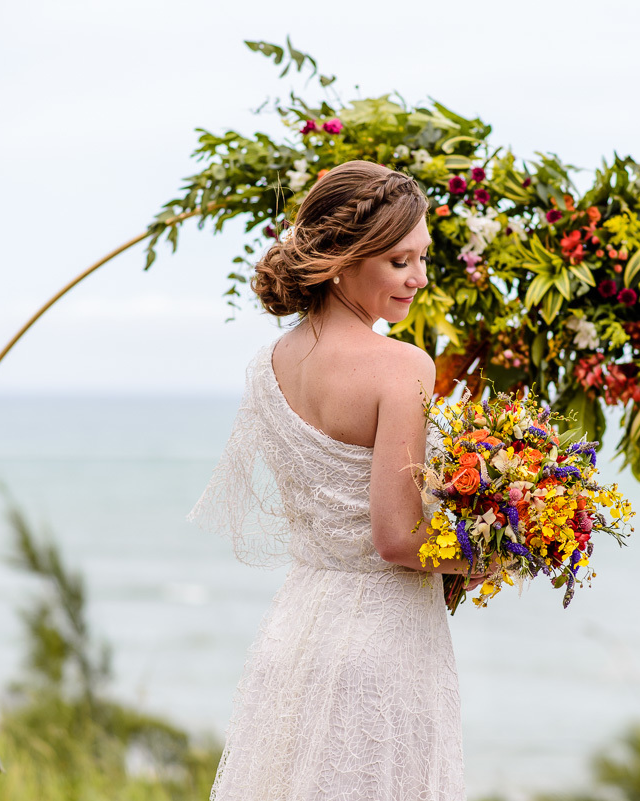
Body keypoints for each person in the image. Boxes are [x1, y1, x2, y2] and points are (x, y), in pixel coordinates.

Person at [186, 160, 494, 800]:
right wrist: (491, 551)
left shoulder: (269, 363)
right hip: (382, 648)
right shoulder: (401, 366)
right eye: (400, 262)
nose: (420, 278)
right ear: (346, 258)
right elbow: (396, 538)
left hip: (297, 629)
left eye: (422, 258)